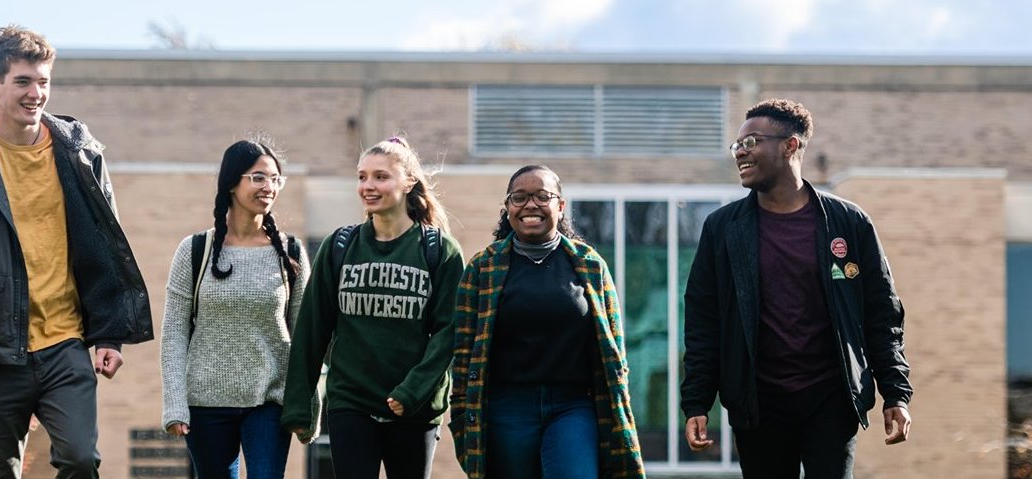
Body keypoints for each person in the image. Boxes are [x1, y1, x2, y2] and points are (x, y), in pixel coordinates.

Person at [0, 25, 153, 478]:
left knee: (79, 458)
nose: (36, 94)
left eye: (43, 82)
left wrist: (108, 334)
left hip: (65, 342)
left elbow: (106, 246)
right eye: (23, 82)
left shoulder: (79, 154)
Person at [681, 98, 913, 478]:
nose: (741, 152)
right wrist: (696, 402)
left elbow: (881, 314)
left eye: (751, 142)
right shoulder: (722, 229)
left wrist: (896, 393)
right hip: (758, 405)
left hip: (831, 399)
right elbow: (703, 322)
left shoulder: (848, 223)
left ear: (790, 145)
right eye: (737, 145)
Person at [281, 137, 463, 479]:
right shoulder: (340, 246)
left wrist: (413, 391)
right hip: (352, 402)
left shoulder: (440, 251)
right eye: (362, 177)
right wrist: (298, 403)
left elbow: (448, 333)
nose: (368, 186)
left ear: (408, 182)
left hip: (415, 408)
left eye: (381, 176)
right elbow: (312, 328)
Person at [450, 165, 645, 479]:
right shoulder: (482, 269)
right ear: (508, 207)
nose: (530, 205)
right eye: (519, 197)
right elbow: (462, 354)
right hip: (506, 408)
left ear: (560, 205)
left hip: (572, 407)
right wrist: (461, 415)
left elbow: (615, 352)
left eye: (543, 196)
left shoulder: (590, 265)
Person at [160, 139, 309, 478]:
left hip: (270, 402)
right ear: (231, 182)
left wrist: (306, 405)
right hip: (206, 404)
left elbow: (305, 338)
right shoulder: (195, 250)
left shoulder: (292, 254)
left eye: (275, 179)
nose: (269, 187)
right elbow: (173, 334)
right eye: (258, 178)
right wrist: (175, 405)